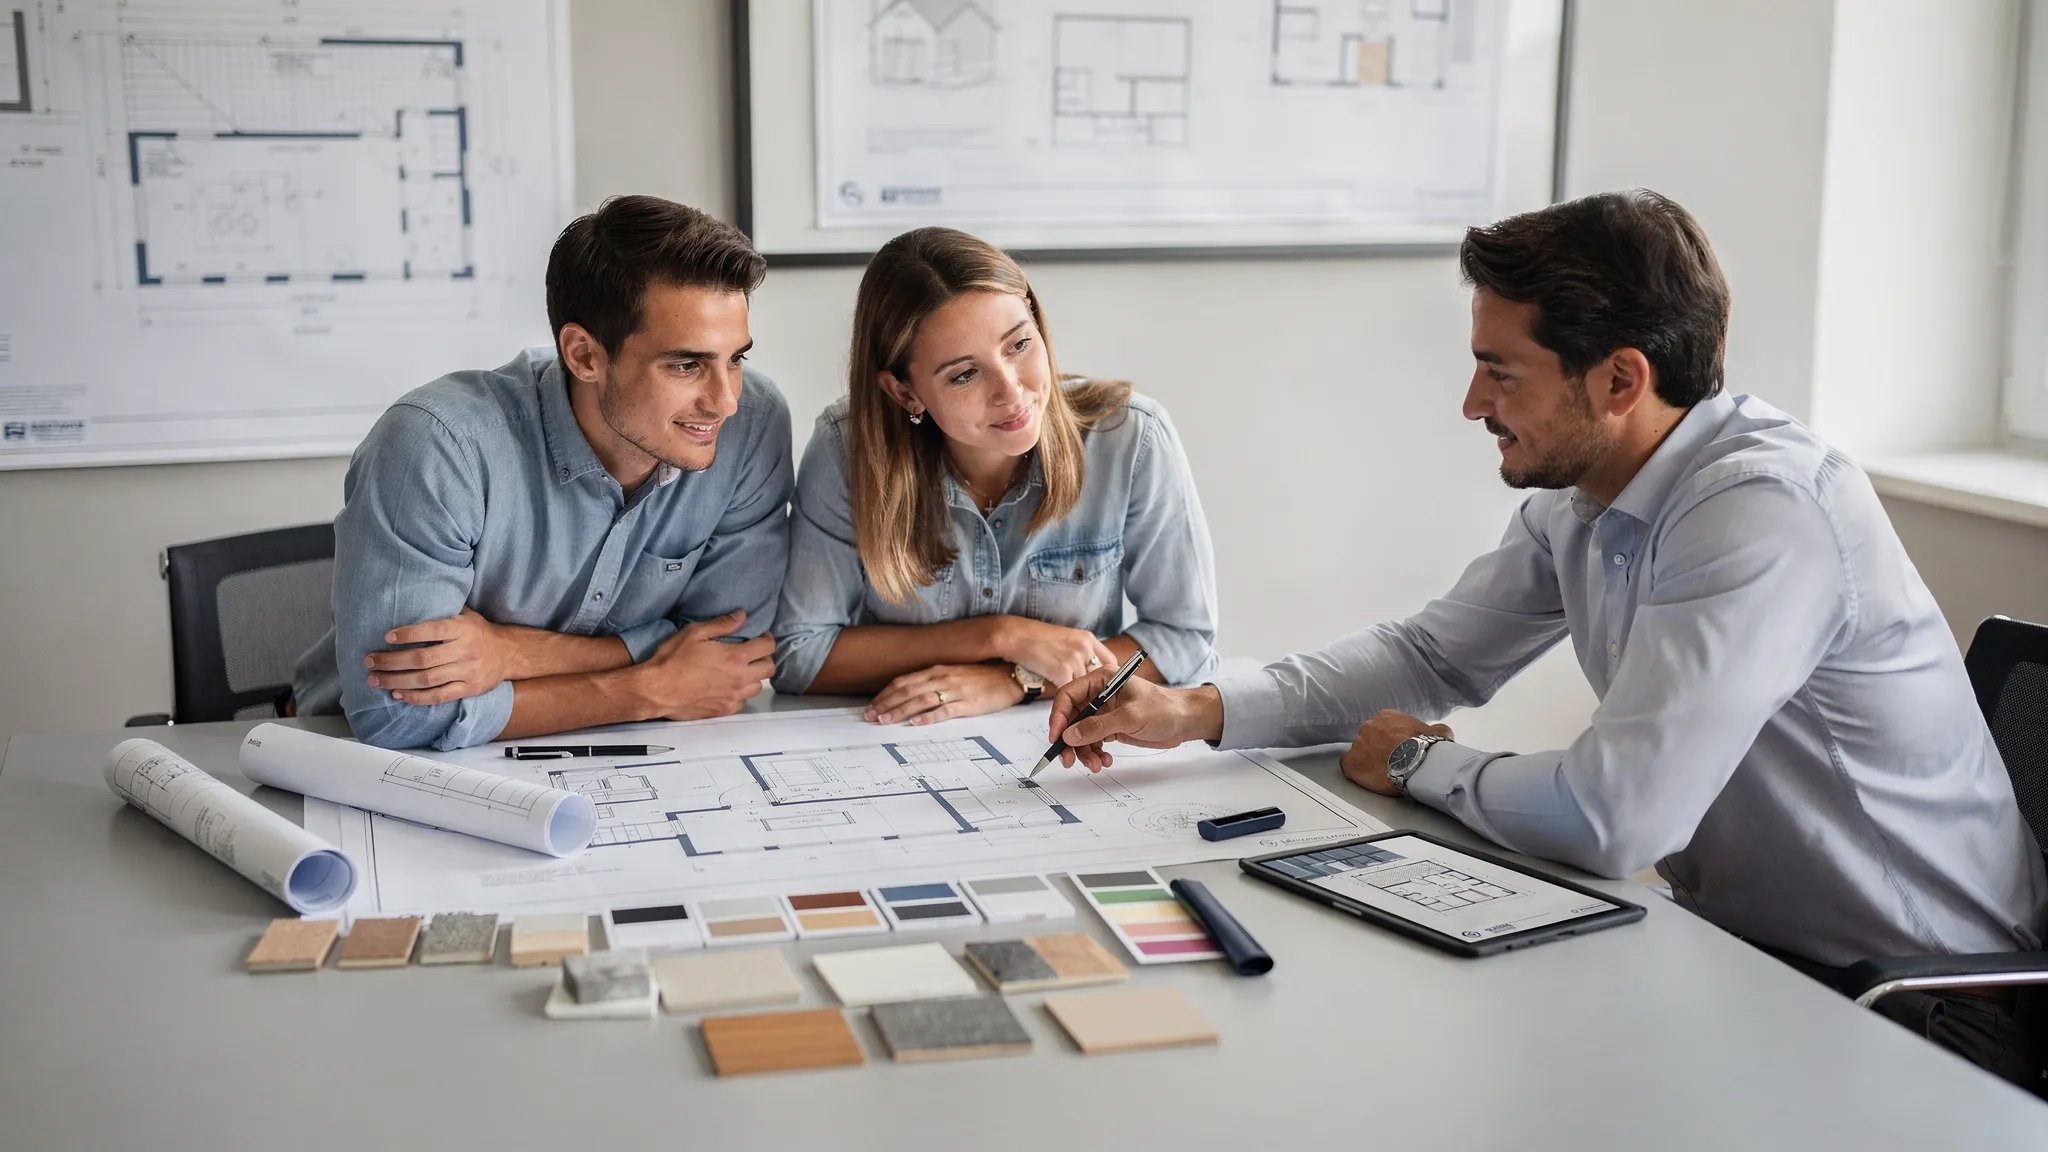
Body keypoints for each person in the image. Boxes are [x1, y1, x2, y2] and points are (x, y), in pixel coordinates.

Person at [1045, 190, 2048, 1091]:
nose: (1472, 404)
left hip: (1919, 1014)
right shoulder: (1591, 493)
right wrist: (1194, 710)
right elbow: (1432, 656)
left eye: (1498, 372)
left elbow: (1614, 819)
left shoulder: (1759, 511)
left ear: (1618, 380)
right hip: (1748, 958)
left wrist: (1417, 760)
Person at [291, 195, 792, 751]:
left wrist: (511, 652)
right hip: (360, 761)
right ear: (583, 356)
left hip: (630, 754)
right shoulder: (437, 446)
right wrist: (648, 689)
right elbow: (396, 718)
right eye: (685, 364)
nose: (724, 401)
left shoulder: (753, 424)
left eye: (736, 359)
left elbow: (733, 655)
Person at [772, 226, 1217, 723]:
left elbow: (1184, 639)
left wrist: (1016, 679)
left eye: (1019, 344)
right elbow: (799, 655)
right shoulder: (847, 448)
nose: (1011, 391)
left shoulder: (1131, 437)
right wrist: (998, 636)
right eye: (964, 374)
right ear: (905, 393)